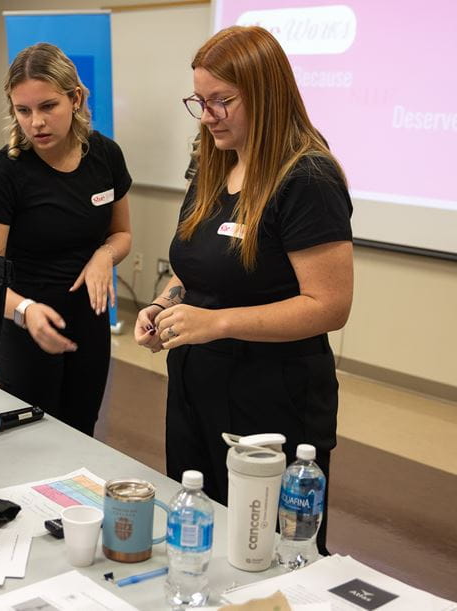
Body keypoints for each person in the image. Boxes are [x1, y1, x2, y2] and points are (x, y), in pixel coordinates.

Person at [135, 26, 353, 554]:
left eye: (222, 102)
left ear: (267, 95)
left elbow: (330, 305)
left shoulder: (307, 179)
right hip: (196, 388)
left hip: (271, 400)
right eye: (200, 101)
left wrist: (218, 322)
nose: (207, 116)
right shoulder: (214, 162)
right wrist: (167, 302)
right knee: (199, 535)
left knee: (265, 551)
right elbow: (199, 266)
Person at [0, 42, 132, 436]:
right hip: (27, 326)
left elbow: (122, 234)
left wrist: (104, 257)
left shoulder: (106, 156)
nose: (35, 123)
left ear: (75, 98)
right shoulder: (4, 174)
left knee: (82, 433)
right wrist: (26, 311)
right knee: (32, 439)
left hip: (89, 324)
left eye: (47, 107)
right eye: (23, 110)